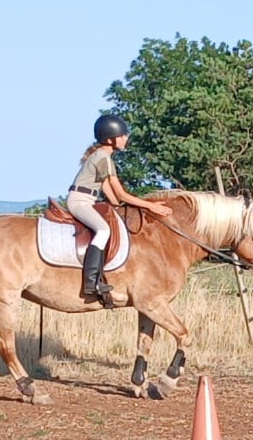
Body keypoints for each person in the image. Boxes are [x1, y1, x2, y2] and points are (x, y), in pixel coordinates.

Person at [67, 114, 173, 301]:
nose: (126, 138)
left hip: (87, 200)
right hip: (80, 201)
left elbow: (107, 189)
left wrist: (118, 206)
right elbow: (122, 194)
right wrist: (151, 206)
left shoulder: (103, 157)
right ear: (110, 139)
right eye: (122, 135)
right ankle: (91, 281)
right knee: (103, 230)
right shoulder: (102, 158)